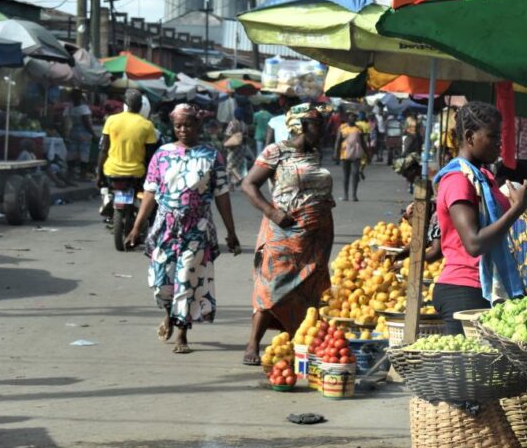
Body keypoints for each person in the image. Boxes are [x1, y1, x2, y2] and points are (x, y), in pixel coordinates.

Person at [125, 104, 240, 355]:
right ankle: (168, 314)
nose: (183, 130)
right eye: (178, 126)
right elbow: (150, 192)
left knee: (187, 280)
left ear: (198, 125)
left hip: (196, 228)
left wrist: (231, 232)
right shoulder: (161, 155)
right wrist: (136, 228)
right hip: (165, 226)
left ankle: (182, 332)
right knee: (162, 281)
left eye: (188, 124)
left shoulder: (212, 156)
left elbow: (222, 196)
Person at [241, 103, 334, 365]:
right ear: (301, 126)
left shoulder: (315, 153)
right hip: (284, 232)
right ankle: (253, 344)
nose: (323, 129)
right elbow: (248, 185)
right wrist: (272, 213)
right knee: (271, 286)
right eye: (317, 124)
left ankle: (296, 341)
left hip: (316, 236)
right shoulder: (276, 151)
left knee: (307, 290)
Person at [432, 101, 527, 334]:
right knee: (469, 370)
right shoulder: (459, 180)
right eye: (493, 136)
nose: (499, 143)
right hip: (465, 290)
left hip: (482, 287)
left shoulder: (482, 176)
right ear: (469, 137)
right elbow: (474, 243)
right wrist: (516, 209)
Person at [97, 90, 158, 212]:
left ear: (124, 104)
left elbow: (104, 150)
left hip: (111, 170)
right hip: (137, 172)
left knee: (105, 185)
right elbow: (150, 155)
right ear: (141, 106)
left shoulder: (111, 120)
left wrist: (99, 174)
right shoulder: (147, 125)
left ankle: (107, 196)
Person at [334, 112, 367, 202]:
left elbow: (363, 142)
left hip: (356, 153)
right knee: (346, 175)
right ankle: (345, 195)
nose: (353, 118)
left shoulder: (358, 128)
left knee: (355, 173)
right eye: (351, 116)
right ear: (347, 117)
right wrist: (335, 154)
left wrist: (367, 153)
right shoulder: (342, 127)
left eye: (355, 117)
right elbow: (338, 141)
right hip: (345, 153)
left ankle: (354, 195)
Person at [65, 89, 94, 179]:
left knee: (72, 152)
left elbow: (65, 118)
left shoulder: (69, 108)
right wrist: (93, 134)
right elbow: (86, 123)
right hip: (84, 133)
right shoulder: (83, 108)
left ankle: (70, 173)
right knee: (84, 153)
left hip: (74, 131)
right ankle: (83, 174)